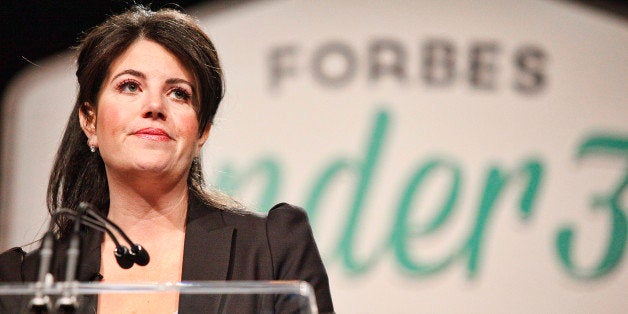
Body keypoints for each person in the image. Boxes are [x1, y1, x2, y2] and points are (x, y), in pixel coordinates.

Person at [0, 5, 333, 313]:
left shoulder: (273, 250)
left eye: (179, 93)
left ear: (202, 130)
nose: (154, 106)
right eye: (130, 86)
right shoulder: (23, 281)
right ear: (89, 119)